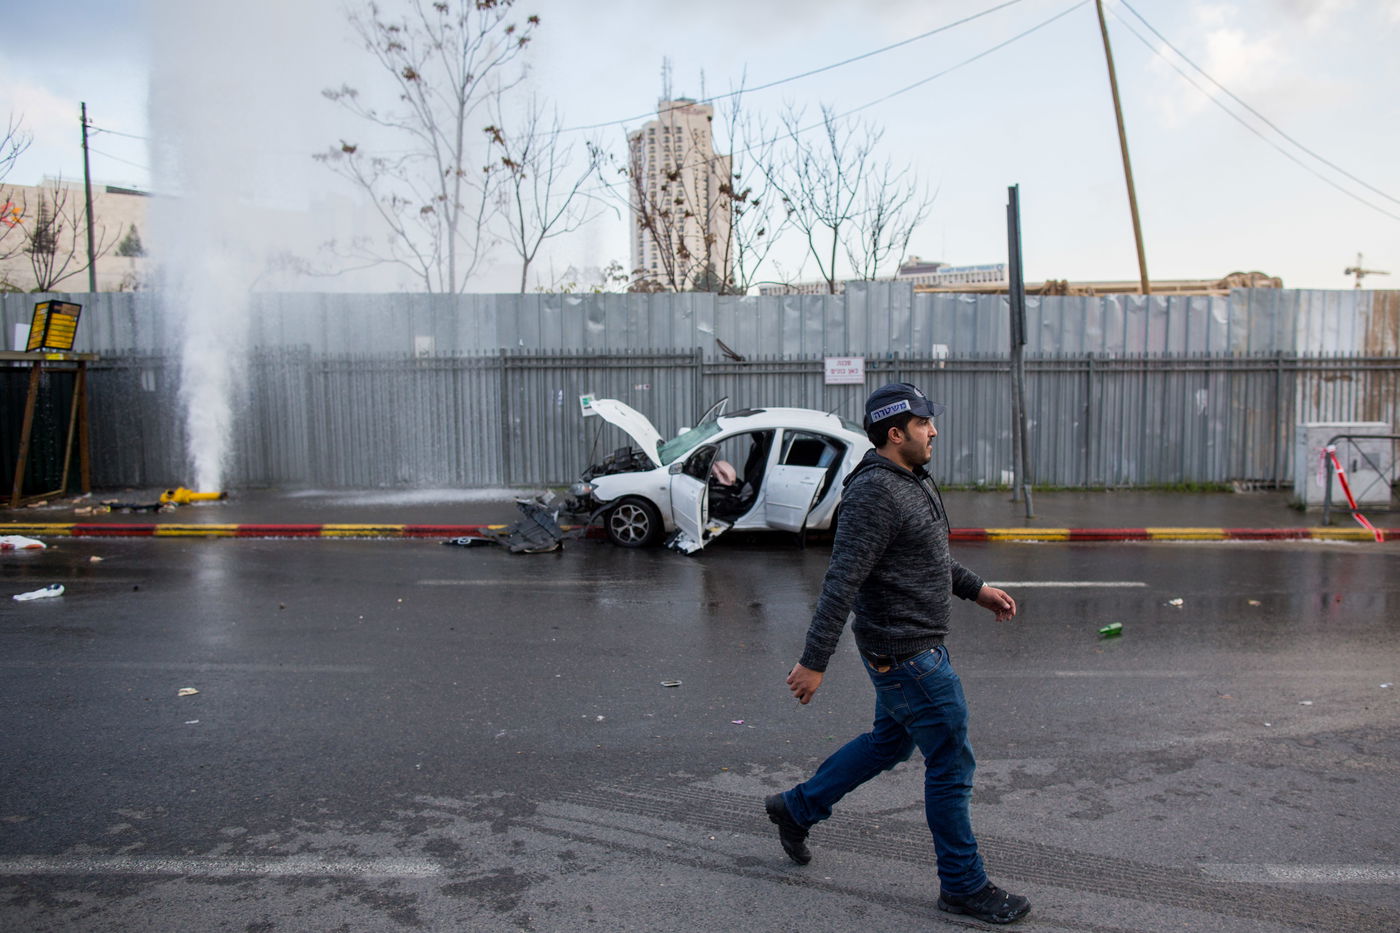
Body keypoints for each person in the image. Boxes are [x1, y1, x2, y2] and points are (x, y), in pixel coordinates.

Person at [764, 382, 1031, 926]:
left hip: (914, 647)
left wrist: (976, 589)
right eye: (924, 424)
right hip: (907, 655)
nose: (933, 431)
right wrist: (814, 661)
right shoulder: (874, 494)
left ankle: (797, 807)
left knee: (888, 744)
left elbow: (927, 559)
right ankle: (962, 885)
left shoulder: (912, 482)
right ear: (895, 432)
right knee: (951, 763)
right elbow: (840, 583)